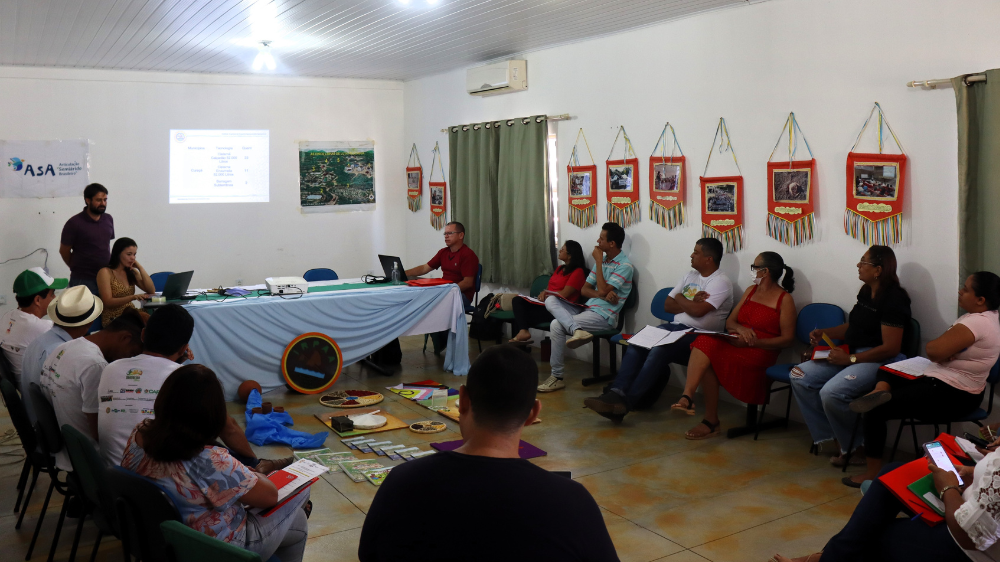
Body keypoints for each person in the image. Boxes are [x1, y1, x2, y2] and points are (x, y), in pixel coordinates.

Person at [359, 345, 619, 562]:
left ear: (463, 400)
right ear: (533, 413)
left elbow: (369, 554)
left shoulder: (402, 481)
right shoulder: (571, 502)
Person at [122, 365, 310, 562]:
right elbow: (270, 496)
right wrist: (254, 474)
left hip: (153, 537)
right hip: (215, 549)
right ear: (214, 414)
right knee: (301, 488)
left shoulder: (140, 434)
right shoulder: (211, 460)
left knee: (297, 520)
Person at [844, 271, 1000, 486]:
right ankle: (879, 391)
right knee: (889, 369)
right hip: (943, 380)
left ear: (981, 300)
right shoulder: (984, 318)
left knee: (874, 411)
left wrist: (942, 351)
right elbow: (940, 351)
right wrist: (944, 351)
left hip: (952, 394)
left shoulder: (978, 322)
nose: (960, 292)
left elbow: (934, 350)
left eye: (966, 289)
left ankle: (872, 473)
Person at [98, 304, 292, 471]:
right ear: (184, 348)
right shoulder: (182, 377)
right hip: (157, 477)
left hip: (115, 476)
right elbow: (229, 429)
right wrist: (252, 460)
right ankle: (260, 467)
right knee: (215, 444)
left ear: (142, 335)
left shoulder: (110, 369)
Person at [583, 238, 733, 420]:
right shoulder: (690, 275)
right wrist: (688, 301)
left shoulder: (720, 282)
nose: (691, 255)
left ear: (709, 259)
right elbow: (667, 305)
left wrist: (680, 297)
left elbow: (698, 311)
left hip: (700, 336)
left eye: (696, 252)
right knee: (637, 341)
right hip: (676, 328)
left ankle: (625, 404)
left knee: (659, 349)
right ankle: (616, 392)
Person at [789, 245, 910, 468]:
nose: (858, 265)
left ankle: (857, 447)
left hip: (881, 359)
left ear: (878, 270)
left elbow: (890, 348)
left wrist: (850, 360)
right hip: (854, 352)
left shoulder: (895, 299)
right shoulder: (866, 291)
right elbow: (854, 327)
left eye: (864, 262)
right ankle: (837, 439)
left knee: (832, 392)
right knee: (799, 375)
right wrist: (825, 333)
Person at [771, 450, 1000, 562]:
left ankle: (825, 558)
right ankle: (829, 557)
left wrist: (947, 489)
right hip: (968, 506)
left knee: (872, 533)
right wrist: (974, 472)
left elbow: (971, 537)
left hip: (969, 549)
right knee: (893, 472)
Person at [677, 252, 797, 439]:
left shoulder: (784, 299)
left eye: (754, 267)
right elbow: (730, 322)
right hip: (736, 342)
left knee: (708, 359)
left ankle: (710, 420)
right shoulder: (751, 291)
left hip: (760, 351)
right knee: (704, 341)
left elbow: (788, 339)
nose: (752, 270)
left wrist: (754, 342)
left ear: (765, 272)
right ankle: (688, 396)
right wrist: (741, 330)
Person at [39, 308, 145, 471]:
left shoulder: (65, 346)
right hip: (91, 462)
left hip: (69, 449)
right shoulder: (95, 365)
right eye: (132, 353)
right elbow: (98, 434)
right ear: (125, 337)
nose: (128, 360)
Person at [537, 222, 633, 393]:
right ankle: (577, 329)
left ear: (612, 243)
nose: (598, 241)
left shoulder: (625, 266)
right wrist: (601, 294)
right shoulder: (602, 261)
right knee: (551, 299)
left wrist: (597, 265)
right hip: (586, 309)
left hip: (604, 316)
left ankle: (557, 377)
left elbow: (602, 288)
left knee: (555, 325)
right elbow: (585, 289)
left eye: (601, 239)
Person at [20, 285, 103, 428]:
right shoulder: (59, 353)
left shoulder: (41, 341)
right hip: (55, 433)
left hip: (39, 428)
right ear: (90, 323)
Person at [509, 240, 588, 344]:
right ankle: (523, 334)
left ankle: (520, 342)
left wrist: (548, 294)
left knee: (522, 316)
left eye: (563, 250)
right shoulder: (559, 269)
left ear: (570, 256)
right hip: (546, 304)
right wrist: (543, 293)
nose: (559, 250)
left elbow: (564, 294)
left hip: (560, 308)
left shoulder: (578, 272)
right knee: (517, 300)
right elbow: (549, 287)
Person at [0, 268, 67, 384]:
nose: (55, 298)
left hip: (23, 386)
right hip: (41, 391)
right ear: (37, 300)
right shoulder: (45, 328)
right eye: (52, 294)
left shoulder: (7, 316)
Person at [405, 221, 480, 305]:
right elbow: (425, 268)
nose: (446, 236)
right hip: (445, 291)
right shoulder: (443, 252)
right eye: (445, 234)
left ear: (461, 235)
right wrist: (403, 273)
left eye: (450, 233)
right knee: (416, 296)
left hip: (460, 295)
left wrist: (447, 291)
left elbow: (468, 283)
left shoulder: (468, 254)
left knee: (429, 302)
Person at [60, 183, 114, 295]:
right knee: (84, 312)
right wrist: (76, 267)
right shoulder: (74, 223)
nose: (103, 203)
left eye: (105, 200)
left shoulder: (108, 219)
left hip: (105, 278)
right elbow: (64, 251)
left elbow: (105, 246)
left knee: (105, 311)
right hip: (83, 280)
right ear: (87, 200)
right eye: (99, 200)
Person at [96, 237, 155, 325]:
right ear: (118, 254)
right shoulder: (105, 272)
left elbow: (151, 290)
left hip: (131, 314)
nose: (133, 258)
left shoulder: (131, 272)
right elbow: (108, 302)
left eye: (134, 254)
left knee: (157, 319)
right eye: (129, 254)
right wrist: (132, 297)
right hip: (114, 318)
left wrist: (140, 268)